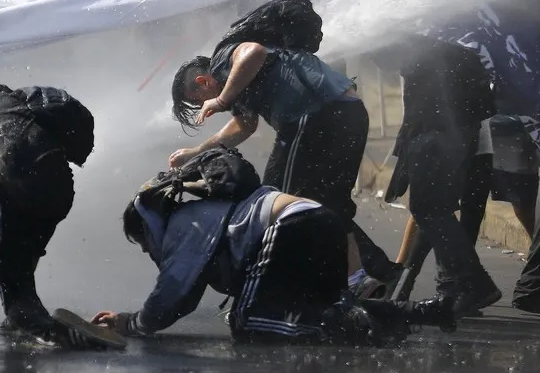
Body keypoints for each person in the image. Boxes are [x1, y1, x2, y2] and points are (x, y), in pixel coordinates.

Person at [92, 183, 455, 344]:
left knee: (248, 323)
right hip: (322, 222)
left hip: (293, 227)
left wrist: (134, 324)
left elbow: (174, 290)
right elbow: (185, 298)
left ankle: (350, 324)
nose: (145, 251)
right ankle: (419, 313)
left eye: (142, 242)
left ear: (149, 226)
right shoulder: (197, 216)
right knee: (318, 305)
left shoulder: (184, 226)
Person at [168, 46, 400, 292]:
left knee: (277, 202)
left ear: (203, 81)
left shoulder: (224, 59)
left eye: (199, 100)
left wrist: (221, 99)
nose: (206, 105)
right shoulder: (238, 81)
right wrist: (197, 151)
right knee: (324, 201)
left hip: (314, 116)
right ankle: (377, 273)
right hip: (349, 112)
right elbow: (243, 126)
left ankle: (286, 289)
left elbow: (254, 51)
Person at [0, 84, 97, 346]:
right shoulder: (38, 109)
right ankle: (22, 311)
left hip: (9, 179)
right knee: (22, 258)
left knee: (3, 256)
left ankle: (38, 325)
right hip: (57, 191)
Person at [381, 37, 501, 317]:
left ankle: (471, 284)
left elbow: (417, 116)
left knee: (429, 209)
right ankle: (455, 289)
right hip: (466, 138)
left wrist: (406, 160)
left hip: (444, 140)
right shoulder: (440, 52)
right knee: (438, 211)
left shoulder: (419, 58)